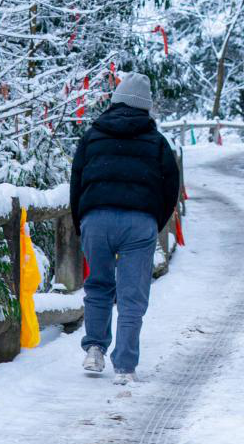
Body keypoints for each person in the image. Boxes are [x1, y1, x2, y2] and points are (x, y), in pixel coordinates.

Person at [70, 70, 180, 383]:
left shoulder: (93, 136)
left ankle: (94, 349)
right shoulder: (157, 142)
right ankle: (125, 365)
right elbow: (170, 187)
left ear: (115, 100)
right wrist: (153, 221)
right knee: (132, 296)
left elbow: (76, 181)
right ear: (146, 107)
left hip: (97, 218)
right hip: (139, 222)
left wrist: (83, 222)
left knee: (98, 286)